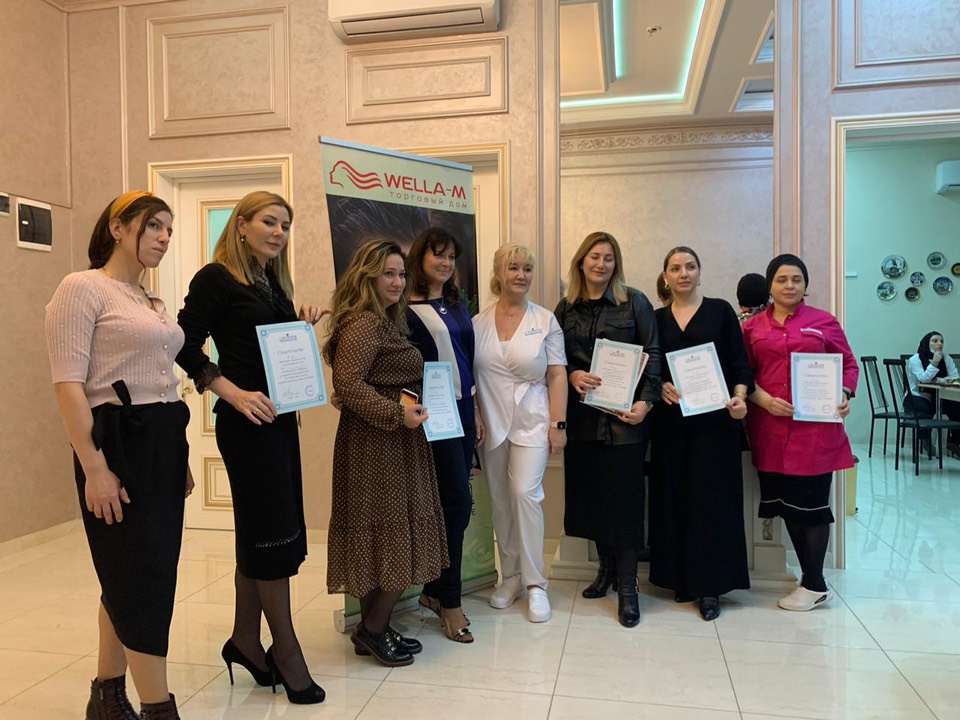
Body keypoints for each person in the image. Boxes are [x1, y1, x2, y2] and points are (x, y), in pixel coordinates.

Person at [46, 191, 191, 720]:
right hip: (116, 442)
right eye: (153, 226)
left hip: (161, 440)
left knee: (134, 575)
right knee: (141, 579)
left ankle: (107, 697)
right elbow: (68, 386)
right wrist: (94, 467)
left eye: (169, 229)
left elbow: (161, 382)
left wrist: (178, 458)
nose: (163, 237)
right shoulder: (82, 287)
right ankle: (158, 709)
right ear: (117, 227)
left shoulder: (149, 299)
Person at [176, 191, 325, 704]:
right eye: (269, 221)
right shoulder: (216, 278)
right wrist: (232, 393)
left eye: (285, 225)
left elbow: (266, 349)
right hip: (246, 427)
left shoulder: (270, 282)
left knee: (263, 535)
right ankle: (286, 650)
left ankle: (244, 640)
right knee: (272, 540)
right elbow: (182, 343)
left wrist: (301, 328)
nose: (279, 232)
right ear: (240, 225)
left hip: (279, 424)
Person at [323, 239, 448, 666]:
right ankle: (373, 629)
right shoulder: (364, 322)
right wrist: (396, 413)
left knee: (383, 533)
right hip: (377, 445)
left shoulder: (382, 320)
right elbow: (347, 384)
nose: (397, 282)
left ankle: (373, 628)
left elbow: (357, 381)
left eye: (400, 274)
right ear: (367, 277)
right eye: (388, 274)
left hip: (391, 441)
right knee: (391, 533)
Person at [555, 231, 662, 628]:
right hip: (583, 422)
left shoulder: (634, 301)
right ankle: (606, 571)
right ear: (581, 261)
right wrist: (572, 374)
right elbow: (553, 359)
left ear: (616, 264)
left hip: (625, 424)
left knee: (626, 506)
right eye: (594, 257)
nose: (601, 264)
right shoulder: (565, 308)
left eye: (608, 258)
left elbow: (653, 352)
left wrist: (646, 403)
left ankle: (629, 589)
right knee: (595, 501)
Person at [743, 254, 859, 612]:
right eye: (781, 279)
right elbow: (742, 375)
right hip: (770, 430)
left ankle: (815, 583)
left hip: (814, 433)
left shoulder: (823, 322)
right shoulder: (752, 328)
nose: (789, 285)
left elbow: (848, 365)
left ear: (806, 284)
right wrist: (763, 400)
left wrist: (843, 393)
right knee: (787, 505)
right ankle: (810, 581)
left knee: (812, 506)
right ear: (770, 285)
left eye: (796, 279)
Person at [649, 247, 753, 621]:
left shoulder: (720, 311)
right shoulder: (655, 318)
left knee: (712, 504)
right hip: (671, 425)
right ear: (665, 276)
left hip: (715, 425)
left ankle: (709, 587)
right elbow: (649, 367)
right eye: (676, 268)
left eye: (690, 267)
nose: (684, 273)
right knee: (674, 498)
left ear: (699, 272)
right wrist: (660, 385)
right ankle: (680, 579)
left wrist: (740, 398)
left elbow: (740, 363)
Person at [473, 243, 567, 623]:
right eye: (513, 267)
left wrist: (558, 424)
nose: (521, 275)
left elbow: (557, 375)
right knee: (499, 500)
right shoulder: (478, 323)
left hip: (534, 420)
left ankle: (535, 583)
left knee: (524, 493)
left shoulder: (545, 320)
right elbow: (470, 376)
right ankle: (510, 576)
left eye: (527, 268)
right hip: (491, 421)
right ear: (498, 273)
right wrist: (475, 413)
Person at [406, 227, 484, 643]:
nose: (446, 263)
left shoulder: (456, 303)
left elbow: (467, 358)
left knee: (457, 503)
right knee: (454, 502)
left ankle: (435, 591)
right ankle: (450, 601)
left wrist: (476, 409)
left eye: (451, 256)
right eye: (438, 254)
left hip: (463, 410)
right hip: (432, 415)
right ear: (420, 257)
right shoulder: (403, 307)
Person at [905, 331, 960, 455]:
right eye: (935, 341)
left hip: (939, 396)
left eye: (941, 341)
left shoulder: (946, 358)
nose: (939, 344)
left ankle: (954, 442)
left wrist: (939, 380)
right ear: (926, 343)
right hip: (916, 395)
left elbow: (954, 377)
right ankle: (925, 440)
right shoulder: (915, 359)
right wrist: (934, 363)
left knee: (957, 407)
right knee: (924, 409)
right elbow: (923, 379)